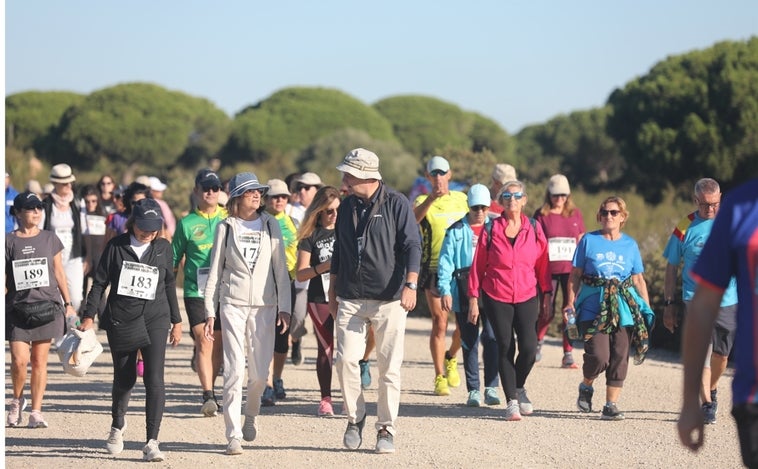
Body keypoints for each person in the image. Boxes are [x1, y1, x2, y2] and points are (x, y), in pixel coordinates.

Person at [329, 148, 421, 454]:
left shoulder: (396, 203)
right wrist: (333, 291)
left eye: (348, 174)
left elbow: (412, 246)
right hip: (351, 298)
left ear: (365, 176)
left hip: (389, 298)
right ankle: (355, 419)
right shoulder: (345, 207)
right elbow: (339, 252)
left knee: (389, 368)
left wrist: (411, 284)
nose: (343, 179)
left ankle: (385, 428)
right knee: (344, 361)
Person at [80, 198, 183, 462]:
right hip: (122, 319)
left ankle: (152, 441)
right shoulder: (116, 247)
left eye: (153, 228)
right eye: (143, 227)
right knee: (125, 378)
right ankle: (117, 425)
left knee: (154, 379)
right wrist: (88, 316)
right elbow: (99, 283)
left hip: (155, 318)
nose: (147, 233)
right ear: (132, 223)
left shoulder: (163, 247)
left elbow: (169, 284)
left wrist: (176, 320)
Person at [202, 172, 291, 456]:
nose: (257, 195)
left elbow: (281, 270)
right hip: (232, 304)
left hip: (265, 306)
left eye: (258, 191)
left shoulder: (271, 225)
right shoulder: (225, 227)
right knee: (233, 370)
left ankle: (250, 413)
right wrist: (209, 311)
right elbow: (215, 272)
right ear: (238, 196)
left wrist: (285, 307)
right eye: (250, 191)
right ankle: (233, 435)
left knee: (258, 373)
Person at [676, 179, 758, 468]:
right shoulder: (740, 207)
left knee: (721, 354)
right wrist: (689, 403)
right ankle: (708, 396)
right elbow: (702, 306)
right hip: (754, 393)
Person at [468, 180, 551, 421]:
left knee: (528, 348)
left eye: (517, 195)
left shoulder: (534, 228)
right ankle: (511, 401)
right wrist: (473, 297)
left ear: (524, 200)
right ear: (501, 201)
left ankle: (519, 385)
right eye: (507, 196)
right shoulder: (491, 229)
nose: (512, 199)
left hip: (527, 294)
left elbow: (543, 264)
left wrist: (546, 294)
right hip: (497, 294)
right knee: (505, 344)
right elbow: (477, 265)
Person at [566, 196, 654, 421]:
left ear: (623, 217)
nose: (608, 216)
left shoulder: (630, 245)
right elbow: (575, 275)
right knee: (599, 356)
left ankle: (610, 405)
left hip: (624, 306)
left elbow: (638, 280)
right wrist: (570, 302)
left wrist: (646, 309)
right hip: (592, 306)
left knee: (619, 355)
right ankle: (587, 385)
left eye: (614, 212)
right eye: (604, 212)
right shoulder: (588, 240)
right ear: (599, 216)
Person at [664, 178, 737, 425]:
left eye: (715, 204)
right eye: (706, 205)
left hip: (728, 299)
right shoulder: (684, 227)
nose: (711, 209)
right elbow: (671, 266)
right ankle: (707, 402)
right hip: (694, 299)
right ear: (696, 201)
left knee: (722, 355)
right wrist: (669, 303)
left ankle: (712, 387)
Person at [6, 191, 79, 428]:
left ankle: (36, 411)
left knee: (39, 361)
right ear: (17, 212)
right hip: (18, 309)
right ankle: (17, 400)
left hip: (46, 307)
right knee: (19, 360)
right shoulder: (8, 241)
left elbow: (58, 271)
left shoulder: (49, 238)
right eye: (30, 208)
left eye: (39, 207)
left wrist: (68, 304)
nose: (37, 212)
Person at [437, 184, 500, 407]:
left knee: (493, 339)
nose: (480, 211)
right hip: (462, 288)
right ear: (468, 206)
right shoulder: (455, 230)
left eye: (484, 207)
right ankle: (474, 389)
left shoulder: (495, 228)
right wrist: (444, 290)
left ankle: (492, 386)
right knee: (469, 340)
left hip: (491, 288)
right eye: (475, 207)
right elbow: (445, 262)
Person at [171, 169, 226, 416]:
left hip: (224, 291)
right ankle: (208, 394)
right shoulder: (186, 224)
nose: (210, 192)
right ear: (196, 191)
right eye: (205, 188)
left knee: (218, 346)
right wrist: (166, 295)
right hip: (197, 291)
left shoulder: (229, 218)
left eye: (215, 188)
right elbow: (173, 260)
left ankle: (211, 387)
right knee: (205, 341)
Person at [413, 155, 469, 396]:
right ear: (428, 177)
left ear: (450, 175)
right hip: (434, 268)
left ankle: (451, 357)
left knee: (464, 326)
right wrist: (430, 200)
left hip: (461, 269)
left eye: (442, 173)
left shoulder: (462, 199)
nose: (438, 178)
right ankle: (439, 376)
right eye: (433, 174)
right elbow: (412, 220)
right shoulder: (422, 200)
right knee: (440, 322)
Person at [296, 186, 341, 416]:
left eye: (337, 210)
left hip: (346, 295)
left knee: (349, 348)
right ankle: (326, 398)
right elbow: (300, 273)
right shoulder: (310, 237)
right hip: (318, 297)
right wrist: (323, 267)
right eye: (329, 211)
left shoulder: (347, 232)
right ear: (319, 212)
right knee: (326, 348)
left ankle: (350, 394)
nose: (334, 215)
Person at [534, 174, 586, 368]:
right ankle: (537, 344)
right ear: (549, 194)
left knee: (570, 312)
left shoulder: (575, 214)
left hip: (570, 271)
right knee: (546, 310)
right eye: (556, 195)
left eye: (563, 195)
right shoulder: (541, 214)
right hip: (547, 270)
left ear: (568, 195)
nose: (559, 199)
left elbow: (581, 240)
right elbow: (534, 241)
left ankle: (568, 352)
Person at [262, 178, 300, 405]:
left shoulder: (293, 222)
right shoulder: (260, 221)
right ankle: (265, 383)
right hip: (264, 284)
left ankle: (277, 377)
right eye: (275, 196)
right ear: (266, 198)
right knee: (265, 332)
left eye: (283, 196)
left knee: (282, 336)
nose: (279, 200)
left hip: (288, 282)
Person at [289, 172, 324, 366]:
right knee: (296, 317)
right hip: (300, 274)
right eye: (299, 187)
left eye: (307, 187)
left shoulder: (326, 211)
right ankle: (296, 340)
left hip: (322, 275)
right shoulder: (289, 211)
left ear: (317, 190)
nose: (302, 191)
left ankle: (323, 356)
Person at [40, 164, 85, 313]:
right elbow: (40, 230)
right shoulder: (46, 205)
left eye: (69, 182)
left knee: (76, 297)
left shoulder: (78, 202)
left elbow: (85, 231)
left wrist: (88, 256)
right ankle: (61, 331)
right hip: (53, 256)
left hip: (73, 255)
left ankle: (70, 319)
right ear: (55, 183)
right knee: (57, 295)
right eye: (64, 183)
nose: (68, 185)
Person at [80, 184, 108, 314]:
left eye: (93, 201)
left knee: (99, 289)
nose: (90, 204)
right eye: (87, 201)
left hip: (99, 255)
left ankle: (103, 318)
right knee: (81, 289)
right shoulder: (79, 215)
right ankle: (80, 317)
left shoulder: (104, 214)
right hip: (82, 255)